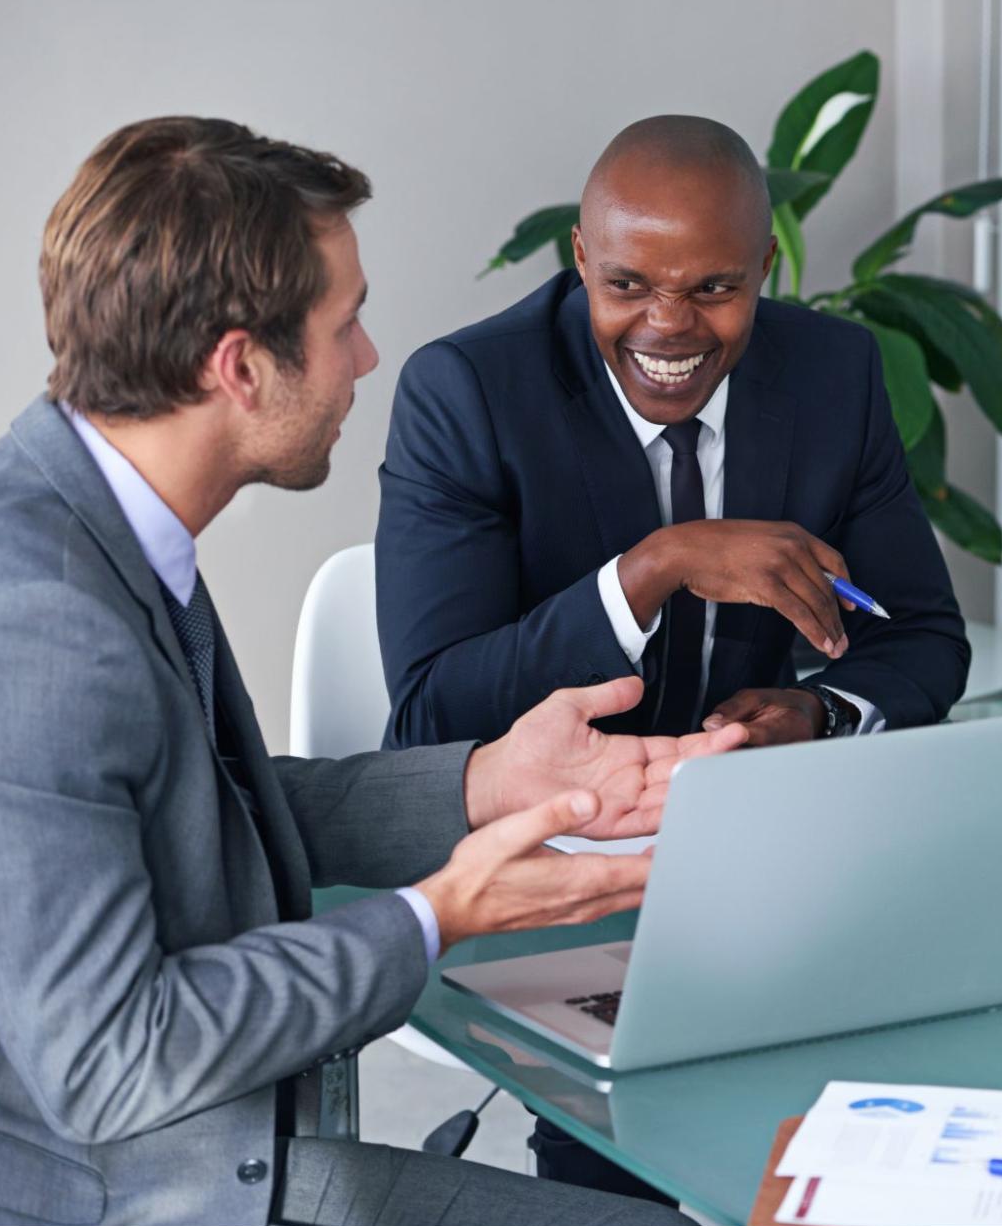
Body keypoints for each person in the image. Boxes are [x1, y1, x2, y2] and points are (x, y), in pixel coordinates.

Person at [0, 117, 741, 1226]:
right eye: (343, 323)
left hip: (214, 1156)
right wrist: (440, 915)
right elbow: (112, 1064)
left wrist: (485, 783)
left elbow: (200, 815)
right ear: (240, 366)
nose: (366, 357)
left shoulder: (95, 516)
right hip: (124, 1192)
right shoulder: (32, 625)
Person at [376, 114, 969, 755]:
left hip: (745, 806)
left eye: (714, 288)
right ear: (581, 256)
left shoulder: (832, 374)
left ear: (764, 264)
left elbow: (921, 635)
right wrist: (660, 566)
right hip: (538, 823)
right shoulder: (468, 393)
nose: (667, 325)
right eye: (627, 284)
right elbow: (430, 714)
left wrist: (820, 708)